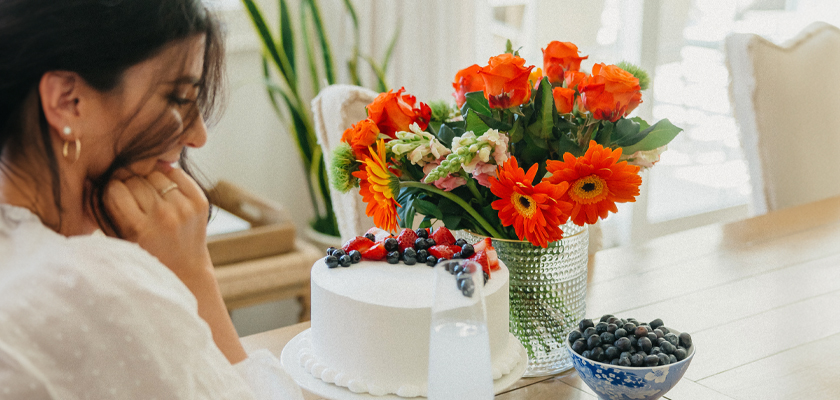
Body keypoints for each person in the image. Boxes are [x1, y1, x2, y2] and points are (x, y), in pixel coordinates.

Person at [0, 1, 303, 398]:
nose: (197, 136)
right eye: (178, 99)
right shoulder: (93, 286)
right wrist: (193, 277)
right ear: (67, 101)